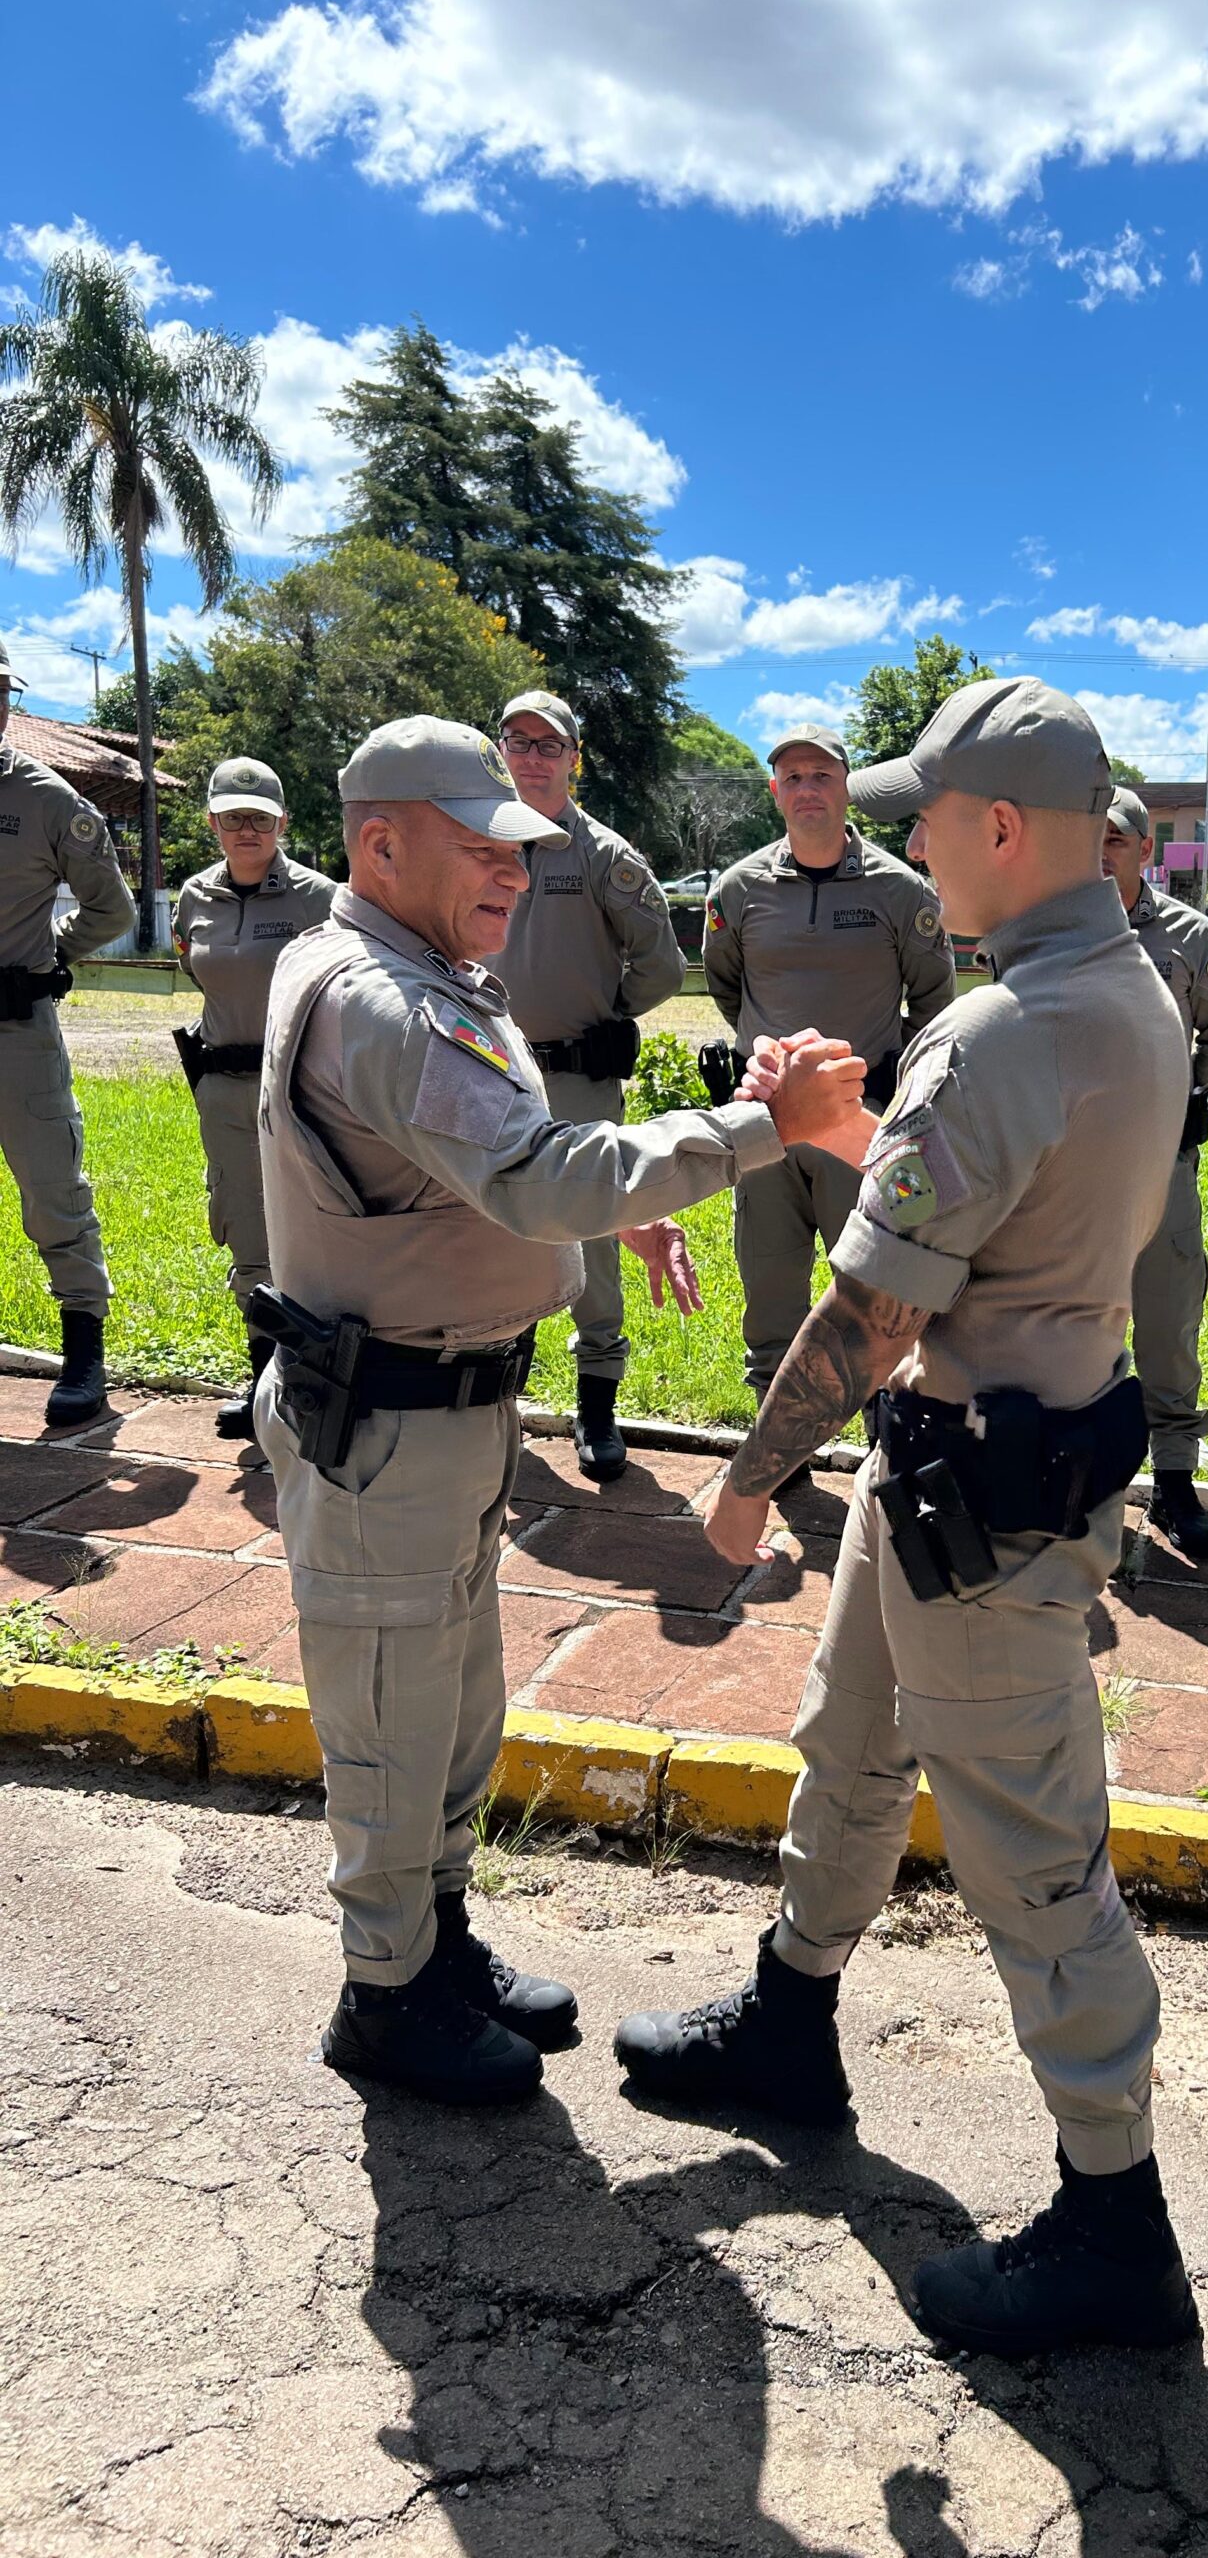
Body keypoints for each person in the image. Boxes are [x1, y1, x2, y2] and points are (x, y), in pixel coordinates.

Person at [615, 677, 1201, 2359]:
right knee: (851, 1740)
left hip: (981, 1498)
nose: (902, 838)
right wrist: (861, 1131)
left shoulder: (1014, 1023)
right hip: (978, 1456)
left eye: (924, 813)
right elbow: (983, 1215)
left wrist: (739, 1495)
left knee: (1032, 1853)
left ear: (1002, 828)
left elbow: (867, 1311)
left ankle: (1117, 2225)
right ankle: (790, 2024)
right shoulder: (1118, 985)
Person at [254, 716, 867, 2108]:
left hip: (446, 1414)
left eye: (522, 848)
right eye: (480, 845)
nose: (515, 871)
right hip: (391, 1421)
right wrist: (772, 1129)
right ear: (380, 842)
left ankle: (434, 1943)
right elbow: (530, 1174)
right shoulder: (383, 997)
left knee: (455, 1707)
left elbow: (490, 1169)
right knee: (394, 1720)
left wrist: (617, 1218)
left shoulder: (419, 969)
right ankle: (385, 1997)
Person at [703, 723, 954, 1409]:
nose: (807, 789)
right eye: (793, 777)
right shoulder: (738, 889)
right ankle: (775, 1446)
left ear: (847, 787)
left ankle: (883, 1441)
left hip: (861, 1127)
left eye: (822, 775)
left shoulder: (900, 892)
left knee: (873, 1292)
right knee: (770, 1286)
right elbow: (729, 988)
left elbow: (934, 998)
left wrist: (880, 1074)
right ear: (774, 790)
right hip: (769, 1127)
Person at [493, 688, 686, 1483]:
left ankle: (596, 1403)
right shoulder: (473, 839)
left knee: (592, 1237)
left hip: (577, 1077)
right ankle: (493, 1396)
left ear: (574, 758)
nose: (534, 757)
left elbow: (664, 963)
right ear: (500, 750)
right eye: (519, 741)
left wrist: (614, 1016)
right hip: (492, 1070)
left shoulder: (605, 856)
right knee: (491, 1231)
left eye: (550, 745)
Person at [1101, 787, 1208, 1559]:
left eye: (1116, 840)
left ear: (1146, 850)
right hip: (1065, 1168)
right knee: (1065, 1320)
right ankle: (1079, 1475)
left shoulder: (1192, 940)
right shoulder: (1041, 930)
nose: (1100, 852)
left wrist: (1187, 1093)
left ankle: (1176, 1479)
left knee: (1165, 1318)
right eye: (1087, 836)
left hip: (1160, 1166)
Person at [171, 757, 335, 1436]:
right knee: (244, 1225)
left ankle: (314, 1375)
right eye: (233, 816)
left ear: (281, 824)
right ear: (211, 822)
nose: (246, 828)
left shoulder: (317, 898)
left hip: (299, 1088)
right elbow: (194, 964)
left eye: (259, 817)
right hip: (222, 1087)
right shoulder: (194, 897)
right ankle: (264, 1375)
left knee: (312, 1226)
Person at [0, 634, 136, 1426]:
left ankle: (85, 1354)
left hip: (16, 1029)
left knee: (54, 1192)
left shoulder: (48, 800)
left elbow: (112, 909)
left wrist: (52, 956)